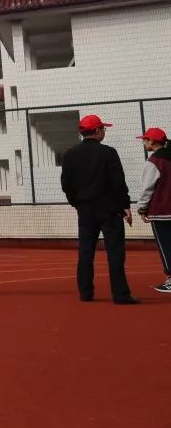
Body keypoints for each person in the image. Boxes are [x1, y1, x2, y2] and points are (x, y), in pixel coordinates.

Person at [60, 115, 139, 304]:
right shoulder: (108, 153)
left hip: (85, 209)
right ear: (96, 131)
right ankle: (120, 294)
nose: (104, 132)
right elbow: (118, 182)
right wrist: (125, 205)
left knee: (86, 251)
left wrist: (76, 203)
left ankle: (86, 292)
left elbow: (66, 184)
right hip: (109, 209)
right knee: (115, 252)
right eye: (103, 129)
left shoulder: (70, 154)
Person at [136, 127, 171, 294]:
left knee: (166, 246)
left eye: (145, 139)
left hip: (162, 211)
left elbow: (147, 188)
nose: (143, 142)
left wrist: (142, 208)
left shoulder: (154, 161)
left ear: (152, 141)